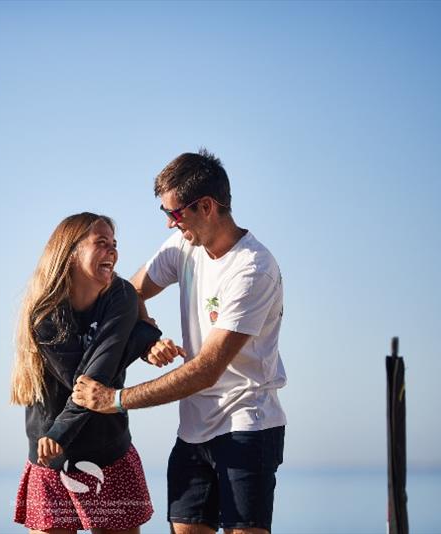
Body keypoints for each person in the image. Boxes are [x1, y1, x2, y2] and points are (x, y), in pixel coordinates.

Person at [72, 150, 287, 534]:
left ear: (206, 206)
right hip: (192, 431)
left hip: (247, 425)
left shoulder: (254, 269)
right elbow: (129, 293)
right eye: (165, 215)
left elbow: (206, 370)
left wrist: (115, 400)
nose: (171, 224)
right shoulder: (183, 248)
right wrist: (147, 337)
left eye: (175, 214)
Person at [11, 212, 162, 534]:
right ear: (71, 252)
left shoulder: (121, 295)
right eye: (101, 243)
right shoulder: (46, 314)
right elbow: (85, 382)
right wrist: (140, 341)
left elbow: (101, 370)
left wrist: (139, 341)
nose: (112, 252)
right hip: (51, 456)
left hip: (109, 450)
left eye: (114, 245)